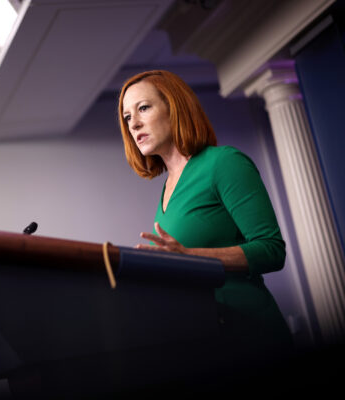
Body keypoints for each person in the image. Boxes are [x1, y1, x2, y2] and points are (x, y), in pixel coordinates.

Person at [118, 70, 293, 378]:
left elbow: (272, 250)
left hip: (252, 336)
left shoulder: (223, 163)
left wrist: (190, 257)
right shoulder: (167, 188)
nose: (133, 124)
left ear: (174, 107)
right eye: (127, 117)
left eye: (143, 108)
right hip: (207, 341)